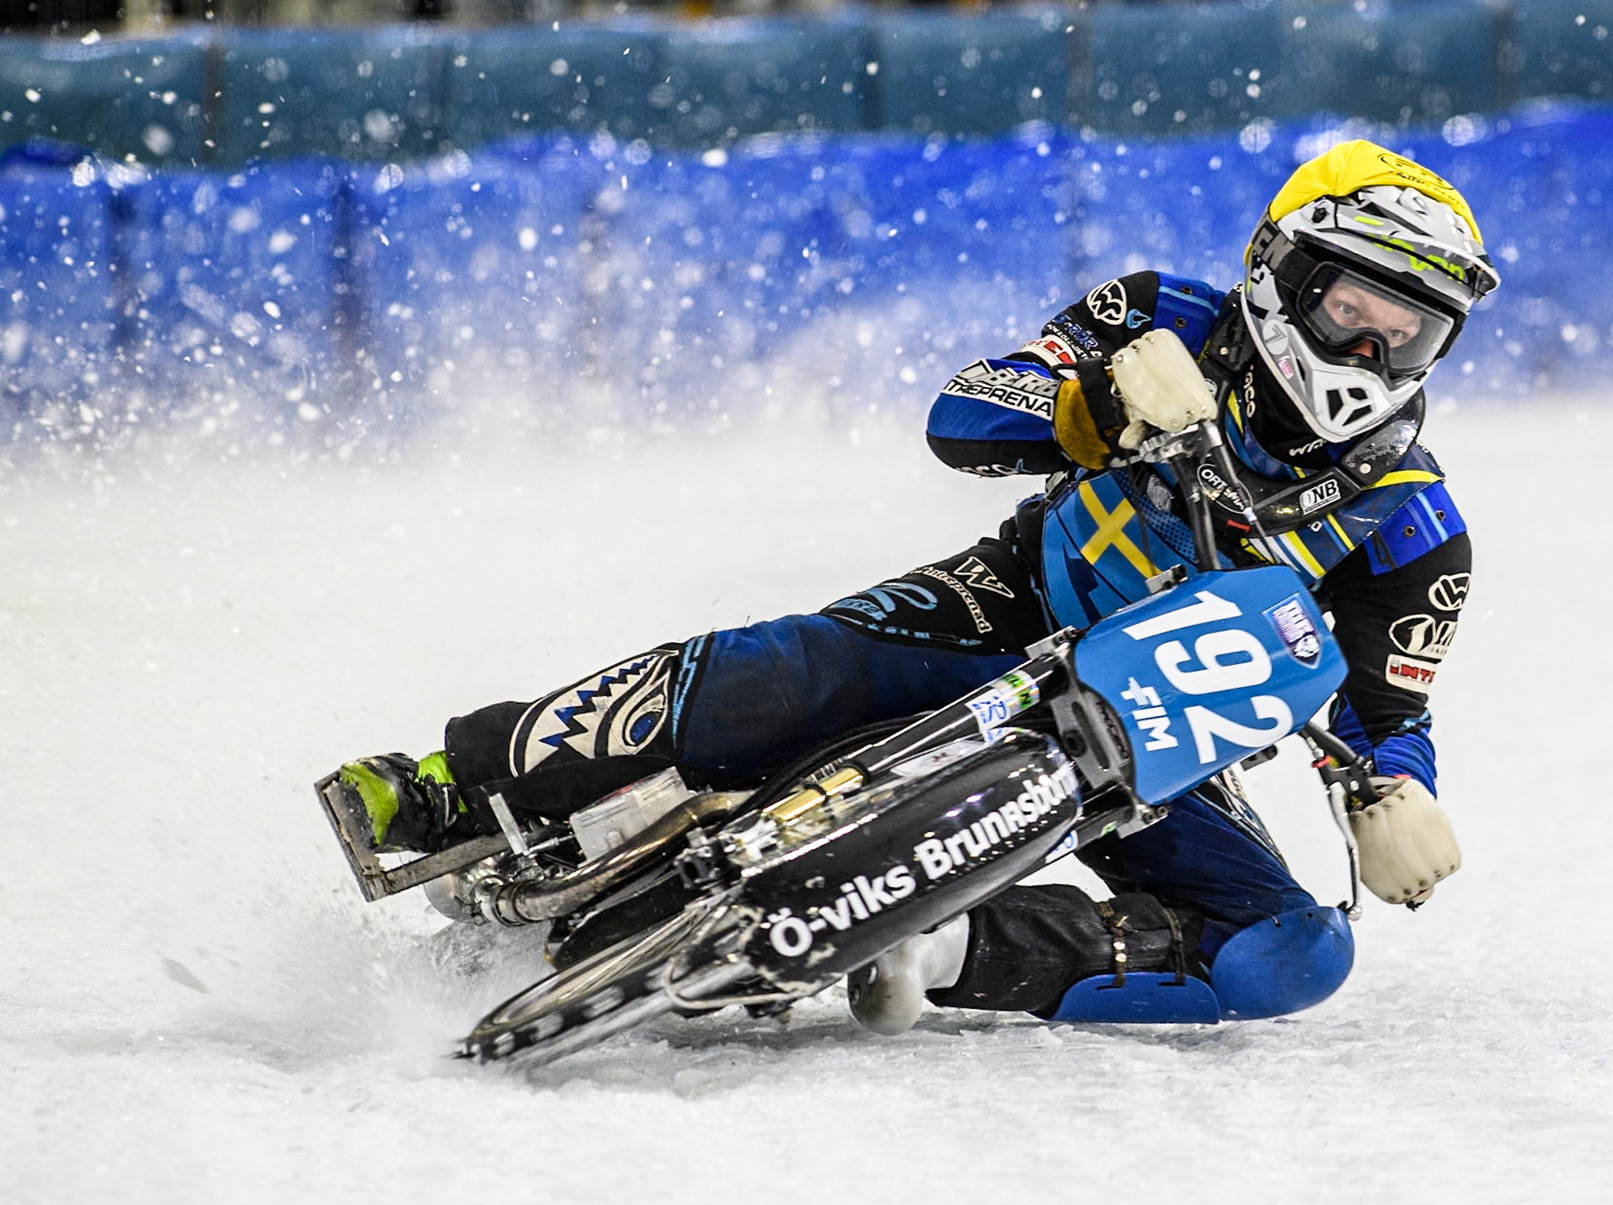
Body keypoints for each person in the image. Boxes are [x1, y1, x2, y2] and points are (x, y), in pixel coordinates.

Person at [329, 139, 1499, 1033]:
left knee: (1292, 952)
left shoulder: (1414, 523)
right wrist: (1099, 410)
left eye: (1405, 334)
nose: (1366, 356)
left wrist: (1389, 793)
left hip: (1159, 735)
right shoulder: (1163, 316)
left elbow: (1385, 708)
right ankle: (457, 781)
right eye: (1350, 310)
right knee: (788, 670)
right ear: (1279, 274)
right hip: (1015, 601)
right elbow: (966, 411)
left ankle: (939, 950)